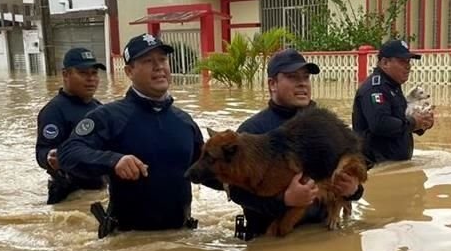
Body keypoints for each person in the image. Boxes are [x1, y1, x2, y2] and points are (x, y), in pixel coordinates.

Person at [57, 33, 215, 234]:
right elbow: (68, 153)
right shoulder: (108, 117)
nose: (158, 67)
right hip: (127, 242)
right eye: (148, 61)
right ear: (129, 71)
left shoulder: (184, 122)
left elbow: (207, 171)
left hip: (182, 238)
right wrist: (114, 160)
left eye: (162, 59)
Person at [227, 48, 363, 240]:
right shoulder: (252, 132)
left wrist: (353, 190)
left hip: (321, 236)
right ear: (272, 84)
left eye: (306, 77)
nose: (302, 83)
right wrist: (285, 200)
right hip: (269, 240)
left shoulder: (327, 126)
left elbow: (357, 170)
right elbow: (237, 193)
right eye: (292, 77)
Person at [35, 47, 107, 204]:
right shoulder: (54, 111)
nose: (91, 79)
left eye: (94, 73)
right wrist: (49, 157)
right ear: (65, 74)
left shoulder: (100, 108)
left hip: (99, 189)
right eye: (83, 73)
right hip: (69, 193)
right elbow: (43, 151)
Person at [351, 38, 435, 165]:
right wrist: (413, 123)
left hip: (396, 166)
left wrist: (422, 123)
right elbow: (380, 124)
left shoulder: (393, 88)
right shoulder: (374, 89)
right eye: (402, 61)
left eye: (408, 61)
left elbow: (399, 122)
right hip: (377, 166)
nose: (408, 66)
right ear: (385, 63)